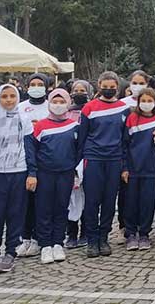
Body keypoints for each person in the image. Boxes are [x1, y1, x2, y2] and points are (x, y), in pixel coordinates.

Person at [0, 84, 33, 274]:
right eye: (4, 97)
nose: (9, 100)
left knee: (16, 214)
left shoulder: (25, 119)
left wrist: (32, 173)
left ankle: (10, 251)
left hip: (19, 173)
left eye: (12, 96)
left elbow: (29, 147)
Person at [78, 71, 130, 258]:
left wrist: (124, 165)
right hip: (93, 159)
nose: (108, 90)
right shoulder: (89, 108)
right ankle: (91, 239)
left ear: (117, 87)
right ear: (99, 86)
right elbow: (82, 137)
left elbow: (125, 140)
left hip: (114, 159)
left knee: (109, 201)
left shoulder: (124, 108)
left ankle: (103, 237)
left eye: (112, 87)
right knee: (92, 201)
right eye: (105, 87)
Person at [25, 89, 79, 265]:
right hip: (44, 173)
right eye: (54, 102)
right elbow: (32, 151)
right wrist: (33, 172)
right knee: (43, 209)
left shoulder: (74, 125)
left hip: (66, 173)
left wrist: (73, 169)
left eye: (61, 101)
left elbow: (78, 150)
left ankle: (58, 242)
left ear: (67, 103)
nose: (58, 105)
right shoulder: (40, 125)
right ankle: (45, 244)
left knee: (61, 207)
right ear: (49, 103)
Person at [123, 88, 155, 251]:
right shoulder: (132, 118)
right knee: (130, 202)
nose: (146, 104)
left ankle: (144, 233)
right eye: (143, 101)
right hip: (132, 169)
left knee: (148, 202)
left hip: (151, 169)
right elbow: (124, 144)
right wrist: (124, 167)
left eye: (150, 101)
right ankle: (131, 233)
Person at [64, 80, 92, 249]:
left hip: (87, 158)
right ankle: (71, 233)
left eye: (83, 90)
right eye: (76, 90)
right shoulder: (66, 111)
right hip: (69, 158)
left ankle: (85, 232)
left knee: (87, 197)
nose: (79, 92)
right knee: (71, 198)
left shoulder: (91, 110)